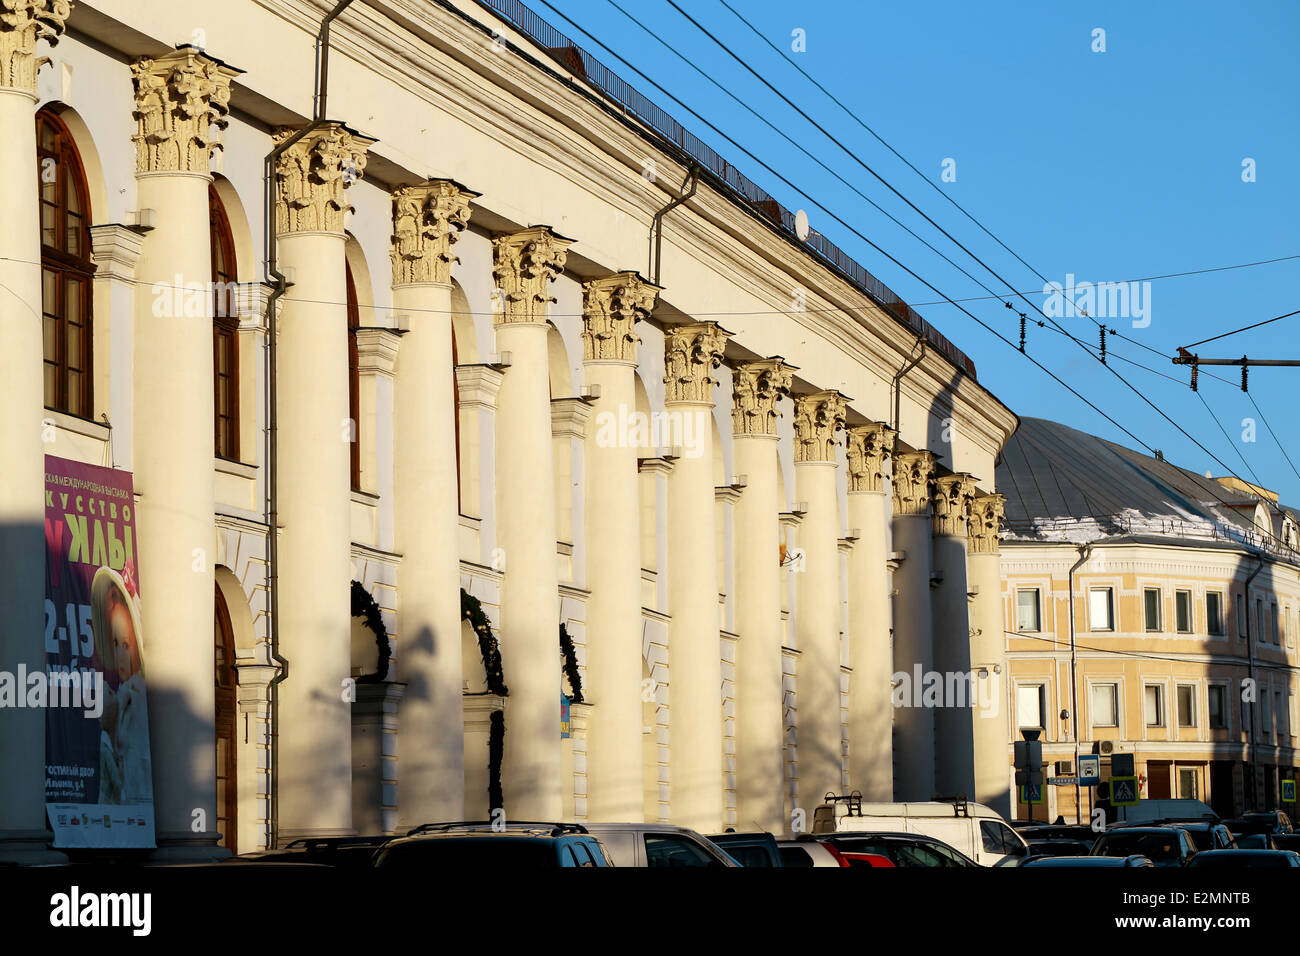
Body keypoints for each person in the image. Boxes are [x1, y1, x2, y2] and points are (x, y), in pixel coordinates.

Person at [92, 567, 153, 806]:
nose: (121, 656)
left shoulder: (140, 698)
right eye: (115, 643)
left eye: (126, 644)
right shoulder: (121, 696)